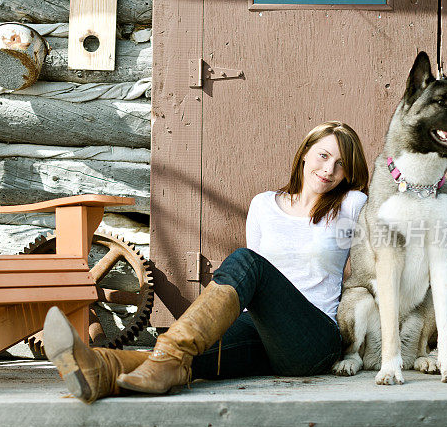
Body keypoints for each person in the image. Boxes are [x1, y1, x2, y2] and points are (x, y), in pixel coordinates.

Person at [43, 121, 370, 403]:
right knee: (188, 357)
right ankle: (100, 371)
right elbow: (251, 288)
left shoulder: (352, 205)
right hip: (259, 331)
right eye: (323, 156)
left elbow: (388, 250)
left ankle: (162, 355)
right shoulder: (264, 205)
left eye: (341, 164)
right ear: (305, 153)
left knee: (246, 262)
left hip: (313, 340)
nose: (329, 170)